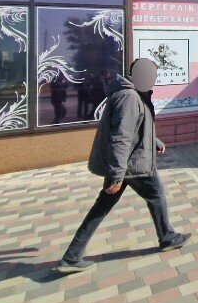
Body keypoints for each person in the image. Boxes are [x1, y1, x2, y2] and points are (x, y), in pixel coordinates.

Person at [53, 59, 189, 274]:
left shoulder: (130, 93)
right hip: (131, 164)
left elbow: (135, 127)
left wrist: (154, 141)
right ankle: (167, 237)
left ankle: (71, 256)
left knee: (102, 206)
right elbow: (121, 137)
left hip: (123, 163)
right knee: (157, 195)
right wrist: (117, 174)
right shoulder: (129, 97)